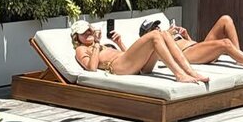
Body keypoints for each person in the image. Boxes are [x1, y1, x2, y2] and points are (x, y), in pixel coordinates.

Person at [71, 25, 209, 84]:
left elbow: (128, 56)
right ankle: (179, 75)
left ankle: (190, 72)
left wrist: (119, 43)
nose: (88, 33)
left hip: (132, 66)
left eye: (90, 30)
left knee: (164, 34)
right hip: (118, 68)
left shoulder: (102, 46)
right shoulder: (81, 49)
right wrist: (96, 43)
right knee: (155, 35)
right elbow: (91, 68)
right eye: (84, 32)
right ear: (76, 37)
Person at [167, 13, 243, 74]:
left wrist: (186, 36)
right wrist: (168, 34)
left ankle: (239, 58)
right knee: (226, 43)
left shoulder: (167, 33)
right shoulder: (160, 36)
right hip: (186, 53)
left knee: (226, 19)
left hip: (195, 48)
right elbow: (163, 52)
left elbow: (190, 43)